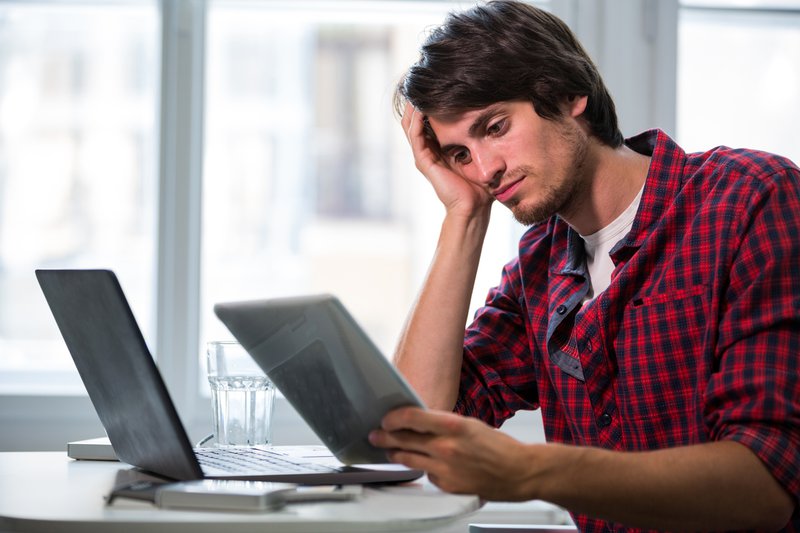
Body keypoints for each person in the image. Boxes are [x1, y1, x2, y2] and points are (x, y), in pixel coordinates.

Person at [365, 1, 800, 531]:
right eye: (459, 155)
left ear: (570, 94)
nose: (486, 170)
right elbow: (417, 428)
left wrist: (531, 471)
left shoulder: (748, 198)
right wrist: (464, 215)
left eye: (496, 126)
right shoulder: (538, 265)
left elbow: (768, 483)